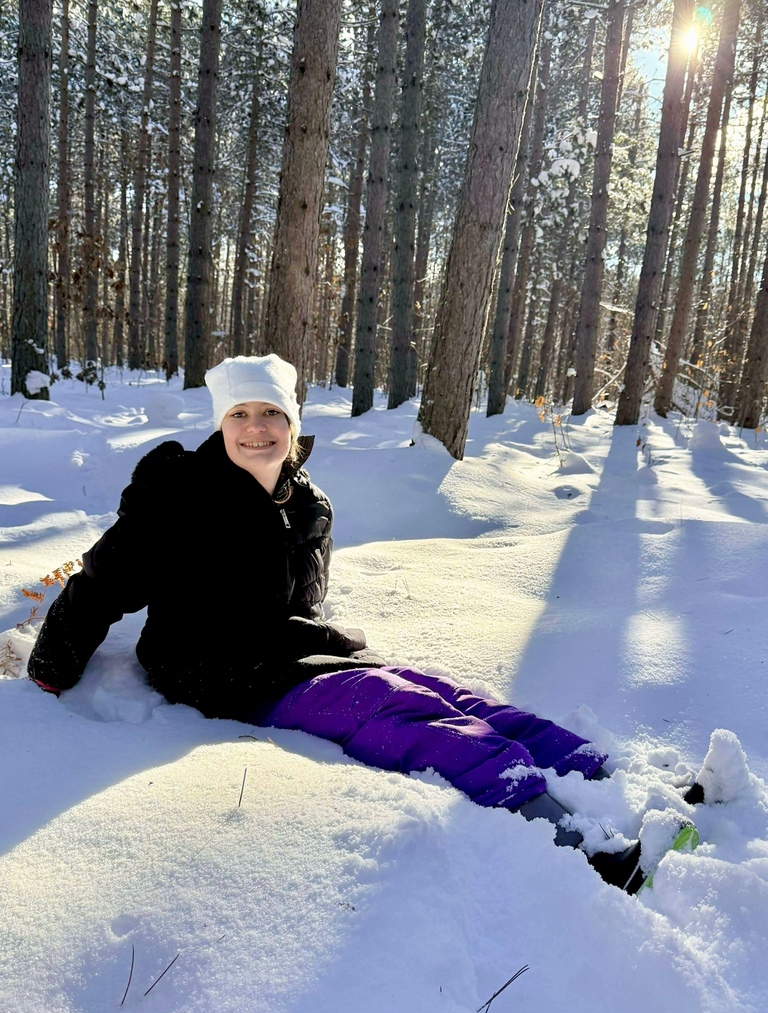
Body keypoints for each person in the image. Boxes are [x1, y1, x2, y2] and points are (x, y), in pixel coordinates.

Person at [27, 354, 688, 893]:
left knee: (452, 697)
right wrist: (50, 666)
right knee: (400, 711)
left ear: (291, 423)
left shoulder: (308, 505)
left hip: (290, 657)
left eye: (271, 414)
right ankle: (581, 843)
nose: (256, 429)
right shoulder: (178, 497)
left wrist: (318, 653)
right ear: (219, 422)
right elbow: (102, 583)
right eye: (239, 415)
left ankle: (608, 776)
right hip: (216, 672)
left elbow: (301, 607)